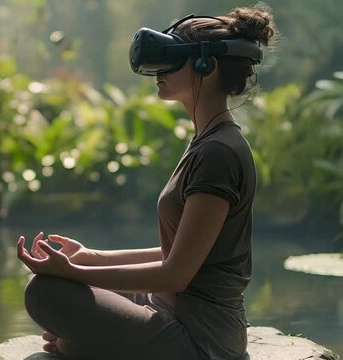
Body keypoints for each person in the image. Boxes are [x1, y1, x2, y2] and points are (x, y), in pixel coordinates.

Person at [16, 5, 277, 360]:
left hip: (200, 340)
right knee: (59, 288)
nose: (159, 71)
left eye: (171, 60)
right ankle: (85, 343)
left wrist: (73, 272)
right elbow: (186, 254)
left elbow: (175, 274)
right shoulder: (209, 142)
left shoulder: (219, 153)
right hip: (172, 313)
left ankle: (80, 346)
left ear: (206, 65)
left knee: (45, 292)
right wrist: (91, 259)